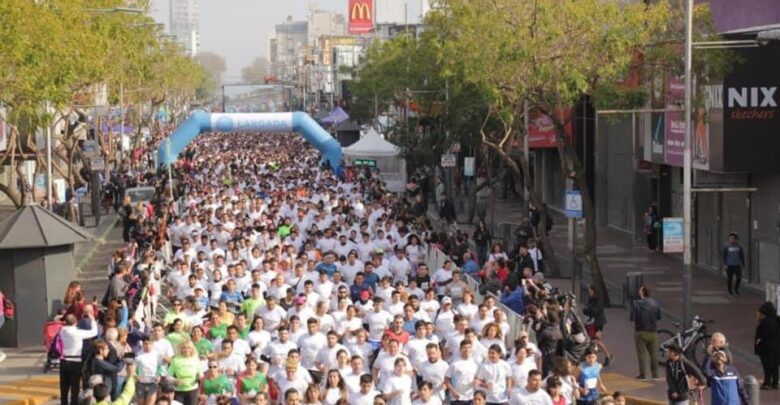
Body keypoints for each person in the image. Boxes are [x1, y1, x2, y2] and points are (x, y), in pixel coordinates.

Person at [60, 313, 98, 405]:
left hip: (64, 361)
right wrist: (93, 320)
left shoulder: (62, 330)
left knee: (64, 387)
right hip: (75, 361)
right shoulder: (78, 333)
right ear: (75, 322)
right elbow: (94, 332)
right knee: (75, 387)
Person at [629, 285, 661, 380]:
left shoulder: (636, 304)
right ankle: (655, 374)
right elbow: (658, 316)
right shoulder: (655, 303)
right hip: (653, 331)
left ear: (642, 292)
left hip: (640, 331)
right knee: (654, 353)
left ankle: (642, 374)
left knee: (642, 354)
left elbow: (632, 318)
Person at [582, 285, 612, 367]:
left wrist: (589, 310)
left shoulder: (599, 300)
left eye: (590, 290)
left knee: (596, 340)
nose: (589, 292)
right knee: (593, 340)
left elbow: (595, 311)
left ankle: (607, 355)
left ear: (593, 291)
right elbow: (586, 310)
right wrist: (588, 310)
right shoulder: (591, 299)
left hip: (598, 323)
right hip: (591, 322)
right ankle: (603, 356)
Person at [167, 341, 202, 405]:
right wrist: (175, 380)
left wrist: (199, 377)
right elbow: (168, 376)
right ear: (181, 349)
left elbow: (201, 374)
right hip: (179, 390)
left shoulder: (196, 359)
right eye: (184, 348)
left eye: (189, 348)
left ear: (192, 349)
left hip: (192, 390)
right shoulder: (175, 360)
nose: (186, 350)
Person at [755, 301, 780, 390]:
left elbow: (764, 334)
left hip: (766, 348)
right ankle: (775, 383)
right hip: (777, 348)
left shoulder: (765, 322)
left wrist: (759, 340)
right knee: (775, 365)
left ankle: (767, 383)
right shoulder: (777, 320)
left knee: (767, 366)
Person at [722, 232, 745, 297]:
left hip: (737, 264)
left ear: (736, 239)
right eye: (730, 238)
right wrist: (725, 264)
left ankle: (736, 289)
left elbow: (742, 256)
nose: (732, 240)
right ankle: (730, 292)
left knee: (739, 278)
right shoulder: (726, 246)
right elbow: (724, 255)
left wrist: (743, 264)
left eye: (733, 238)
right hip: (729, 265)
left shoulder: (739, 246)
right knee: (729, 278)